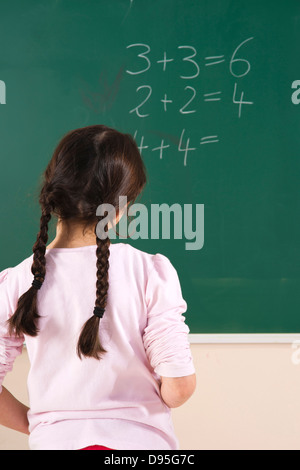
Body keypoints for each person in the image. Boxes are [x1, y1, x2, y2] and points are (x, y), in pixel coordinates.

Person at [0, 125, 196, 450]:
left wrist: (41, 425)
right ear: (120, 209)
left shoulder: (17, 281)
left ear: (53, 193)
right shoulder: (150, 272)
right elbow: (180, 387)